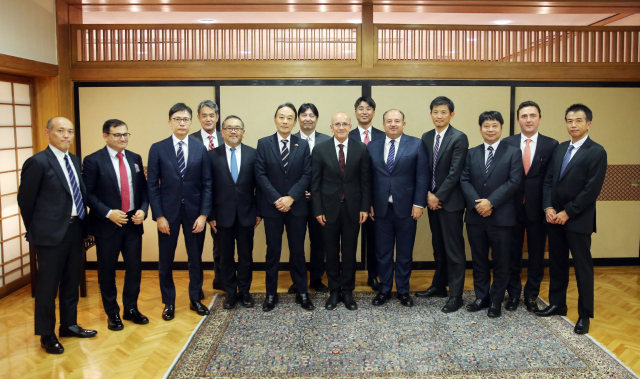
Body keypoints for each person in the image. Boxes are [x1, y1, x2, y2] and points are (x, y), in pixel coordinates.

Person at [18, 116, 97, 354]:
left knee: (71, 281)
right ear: (48, 133)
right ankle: (46, 334)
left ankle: (69, 325)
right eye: (60, 131)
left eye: (70, 132)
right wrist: (38, 228)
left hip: (76, 229)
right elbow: (26, 201)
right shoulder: (38, 162)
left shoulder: (73, 159)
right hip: (50, 234)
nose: (66, 136)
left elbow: (78, 194)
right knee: (48, 287)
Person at [536, 104, 607, 335]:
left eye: (578, 120)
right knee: (557, 263)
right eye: (569, 120)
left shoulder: (596, 151)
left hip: (578, 220)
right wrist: (548, 207)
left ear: (589, 123)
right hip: (554, 217)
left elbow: (591, 190)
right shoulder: (560, 148)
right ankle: (558, 304)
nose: (573, 125)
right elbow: (548, 181)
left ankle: (584, 315)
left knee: (582, 267)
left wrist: (568, 212)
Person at [147, 103, 212, 320]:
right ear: (169, 122)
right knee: (166, 260)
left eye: (185, 119)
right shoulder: (158, 148)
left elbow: (207, 184)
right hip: (168, 214)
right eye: (177, 119)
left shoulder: (199, 148)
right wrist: (159, 216)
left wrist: (204, 215)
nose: (181, 123)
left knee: (195, 259)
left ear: (191, 122)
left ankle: (195, 298)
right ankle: (169, 302)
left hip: (195, 214)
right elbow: (152, 186)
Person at [83, 119, 150, 331]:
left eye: (126, 135)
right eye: (118, 135)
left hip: (132, 222)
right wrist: (108, 212)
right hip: (107, 224)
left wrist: (143, 210)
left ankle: (130, 309)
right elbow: (87, 194)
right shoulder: (93, 160)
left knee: (134, 269)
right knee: (107, 271)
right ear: (105, 136)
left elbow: (144, 190)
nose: (123, 138)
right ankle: (112, 313)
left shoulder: (135, 158)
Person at [460, 111, 523, 318]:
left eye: (494, 125)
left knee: (501, 261)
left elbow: (514, 182)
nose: (490, 129)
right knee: (479, 260)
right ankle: (481, 297)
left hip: (502, 217)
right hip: (475, 216)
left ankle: (496, 301)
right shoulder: (471, 153)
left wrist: (491, 202)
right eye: (486, 126)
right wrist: (479, 204)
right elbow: (464, 180)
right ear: (480, 129)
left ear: (501, 128)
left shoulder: (513, 152)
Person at [255, 102, 314, 312]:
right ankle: (271, 294)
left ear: (295, 122)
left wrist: (291, 198)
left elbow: (307, 174)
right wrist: (277, 199)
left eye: (290, 118)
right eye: (281, 117)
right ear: (275, 119)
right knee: (273, 252)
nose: (285, 121)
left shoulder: (303, 144)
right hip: (272, 208)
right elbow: (260, 175)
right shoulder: (263, 144)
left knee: (298, 251)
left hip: (296, 208)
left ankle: (302, 292)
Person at [368, 109, 428, 307]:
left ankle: (403, 290)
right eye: (389, 121)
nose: (393, 124)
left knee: (404, 252)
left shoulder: (416, 144)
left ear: (404, 123)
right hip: (380, 209)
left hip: (407, 209)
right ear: (383, 124)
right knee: (382, 253)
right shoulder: (372, 146)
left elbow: (422, 177)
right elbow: (367, 179)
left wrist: (419, 203)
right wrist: (368, 204)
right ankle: (384, 289)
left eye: (397, 121)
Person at [502, 101, 558, 312]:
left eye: (532, 115)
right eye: (524, 116)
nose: (528, 120)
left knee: (536, 255)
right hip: (511, 208)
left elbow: (551, 180)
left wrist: (548, 206)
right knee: (512, 253)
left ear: (539, 119)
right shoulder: (507, 143)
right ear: (518, 120)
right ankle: (514, 294)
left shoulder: (551, 145)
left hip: (538, 209)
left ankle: (532, 295)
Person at [311, 112, 370, 310]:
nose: (341, 127)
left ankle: (348, 291)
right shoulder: (320, 150)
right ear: (331, 127)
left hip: (353, 209)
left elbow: (365, 181)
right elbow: (315, 183)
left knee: (349, 252)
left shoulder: (361, 148)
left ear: (351, 127)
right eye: (337, 124)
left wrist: (364, 207)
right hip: (328, 210)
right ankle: (334, 291)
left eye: (345, 124)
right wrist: (317, 209)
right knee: (332, 252)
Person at [416, 96, 469, 313]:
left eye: (443, 112)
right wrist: (428, 194)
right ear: (431, 114)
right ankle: (439, 285)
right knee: (438, 247)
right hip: (432, 201)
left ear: (451, 115)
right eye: (435, 112)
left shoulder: (459, 137)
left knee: (454, 250)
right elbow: (424, 169)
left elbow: (455, 172)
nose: (439, 116)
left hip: (451, 203)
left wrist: (438, 196)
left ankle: (456, 295)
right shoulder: (426, 137)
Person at [208, 115, 261, 309]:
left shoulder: (253, 154)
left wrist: (259, 212)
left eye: (237, 128)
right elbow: (208, 188)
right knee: (225, 257)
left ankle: (245, 291)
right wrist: (210, 216)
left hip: (247, 215)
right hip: (221, 217)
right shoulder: (211, 156)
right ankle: (231, 292)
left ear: (243, 133)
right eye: (229, 128)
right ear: (221, 132)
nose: (233, 131)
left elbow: (260, 187)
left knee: (246, 255)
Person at [290, 103, 331, 294]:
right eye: (304, 115)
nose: (308, 118)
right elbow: (286, 172)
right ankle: (297, 280)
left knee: (318, 242)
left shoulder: (326, 140)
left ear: (317, 119)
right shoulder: (290, 139)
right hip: (296, 201)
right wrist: (298, 192)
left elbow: (331, 173)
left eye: (312, 115)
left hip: (319, 202)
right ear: (298, 118)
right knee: (296, 243)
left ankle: (316, 278)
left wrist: (315, 193)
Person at [349, 96, 384, 291]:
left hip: (376, 199)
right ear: (355, 112)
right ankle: (349, 277)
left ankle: (373, 276)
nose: (364, 111)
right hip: (351, 198)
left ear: (373, 112)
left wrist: (370, 201)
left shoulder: (383, 135)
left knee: (374, 240)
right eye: (360, 108)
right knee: (349, 240)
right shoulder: (347, 134)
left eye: (368, 108)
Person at [190, 100, 224, 292]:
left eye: (212, 115)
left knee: (220, 245)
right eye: (204, 115)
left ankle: (220, 280)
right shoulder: (190, 140)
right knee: (195, 248)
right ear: (198, 118)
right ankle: (196, 288)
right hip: (197, 203)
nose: (208, 119)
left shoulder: (225, 137)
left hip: (220, 202)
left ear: (217, 117)